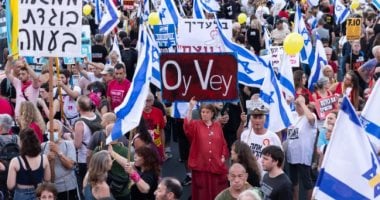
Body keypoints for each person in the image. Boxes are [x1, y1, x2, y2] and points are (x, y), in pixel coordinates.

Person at [184, 97, 229, 200]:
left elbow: (223, 144)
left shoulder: (217, 126)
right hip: (201, 167)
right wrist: (190, 108)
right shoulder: (196, 125)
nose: (204, 114)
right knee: (202, 193)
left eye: (207, 112)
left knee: (217, 192)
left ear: (212, 113)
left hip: (216, 166)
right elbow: (187, 126)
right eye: (203, 112)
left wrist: (223, 156)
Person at [286, 95, 317, 200]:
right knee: (293, 182)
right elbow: (284, 116)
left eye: (298, 105)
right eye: (296, 105)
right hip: (292, 154)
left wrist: (303, 103)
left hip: (303, 156)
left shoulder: (311, 115)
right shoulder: (294, 116)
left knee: (307, 182)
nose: (297, 107)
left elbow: (311, 119)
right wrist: (287, 102)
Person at [7, 128, 51, 199]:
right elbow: (47, 179)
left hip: (21, 194)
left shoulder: (15, 161)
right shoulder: (44, 158)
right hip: (38, 193)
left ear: (21, 142)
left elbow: (10, 185)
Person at [238, 99, 282, 169]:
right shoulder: (245, 134)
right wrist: (242, 122)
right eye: (255, 117)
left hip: (266, 177)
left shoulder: (273, 137)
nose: (257, 121)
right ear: (251, 119)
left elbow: (280, 159)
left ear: (264, 119)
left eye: (260, 118)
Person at [41, 119, 78, 200]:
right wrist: (46, 158)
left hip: (66, 187)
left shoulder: (68, 144)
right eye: (49, 131)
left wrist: (59, 152)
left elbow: (70, 165)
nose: (52, 133)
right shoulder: (42, 146)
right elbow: (38, 167)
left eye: (55, 130)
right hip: (49, 191)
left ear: (61, 132)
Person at [74, 95, 103, 194]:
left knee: (85, 187)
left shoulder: (80, 123)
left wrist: (68, 137)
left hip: (84, 159)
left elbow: (77, 145)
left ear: (79, 107)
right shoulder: (98, 117)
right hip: (99, 156)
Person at [142, 93, 166, 161]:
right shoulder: (138, 113)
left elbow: (161, 130)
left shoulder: (158, 112)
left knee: (158, 167)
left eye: (148, 101)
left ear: (152, 102)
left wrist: (163, 148)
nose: (146, 103)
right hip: (143, 145)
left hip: (157, 145)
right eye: (144, 101)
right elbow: (135, 131)